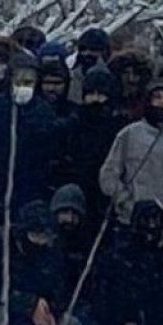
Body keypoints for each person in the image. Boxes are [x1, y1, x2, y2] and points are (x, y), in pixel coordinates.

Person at [0, 53, 62, 242]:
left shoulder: (44, 113)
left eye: (29, 82)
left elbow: (50, 154)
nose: (24, 87)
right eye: (19, 81)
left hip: (30, 193)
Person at [98, 79, 163, 226]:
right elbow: (108, 176)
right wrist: (127, 203)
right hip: (130, 222)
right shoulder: (128, 135)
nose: (162, 102)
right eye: (157, 97)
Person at [52, 67, 125, 231]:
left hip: (107, 199)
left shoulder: (120, 129)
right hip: (75, 196)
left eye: (101, 94)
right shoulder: (71, 126)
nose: (96, 99)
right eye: (91, 94)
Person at [50, 184, 90, 291]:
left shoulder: (85, 247)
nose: (70, 219)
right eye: (65, 212)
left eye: (75, 214)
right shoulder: (46, 242)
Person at [107, 50, 153, 123]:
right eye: (125, 73)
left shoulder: (150, 104)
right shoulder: (108, 104)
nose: (131, 79)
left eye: (136, 73)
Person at [69, 28, 111, 104]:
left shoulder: (113, 74)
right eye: (83, 49)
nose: (87, 53)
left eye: (93, 49)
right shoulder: (73, 75)